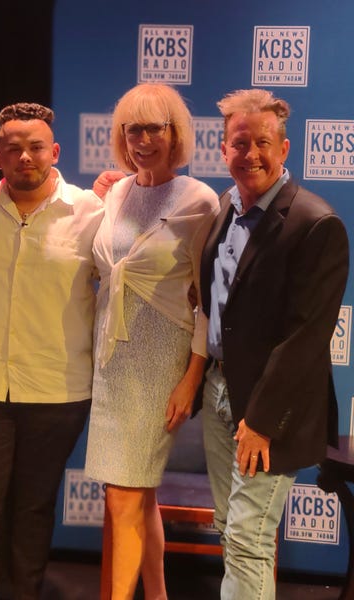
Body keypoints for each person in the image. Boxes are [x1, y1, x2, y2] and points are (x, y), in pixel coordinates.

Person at [0, 102, 103, 599]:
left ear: (54, 151)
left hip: (58, 390)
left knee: (34, 506)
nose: (25, 157)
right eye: (13, 149)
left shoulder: (92, 213)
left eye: (35, 147)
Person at [199, 88, 348, 600]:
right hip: (218, 393)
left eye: (263, 143)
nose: (251, 155)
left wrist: (260, 422)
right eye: (240, 144)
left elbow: (306, 337)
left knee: (247, 539)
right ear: (223, 150)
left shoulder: (315, 223)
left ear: (284, 149)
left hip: (268, 412)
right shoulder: (224, 206)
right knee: (229, 526)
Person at [83, 83, 219, 600]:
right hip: (113, 361)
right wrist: (102, 192)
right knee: (138, 496)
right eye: (132, 129)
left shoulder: (198, 201)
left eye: (154, 128)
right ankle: (158, 595)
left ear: (175, 133)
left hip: (161, 362)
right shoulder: (116, 192)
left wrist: (192, 376)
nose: (142, 140)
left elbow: (207, 301)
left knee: (122, 497)